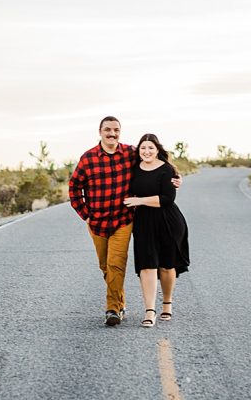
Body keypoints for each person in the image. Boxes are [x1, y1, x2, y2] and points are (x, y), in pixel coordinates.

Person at [69, 117, 180, 326]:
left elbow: (155, 164)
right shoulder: (88, 158)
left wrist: (175, 177)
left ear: (120, 132)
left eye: (116, 130)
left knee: (115, 264)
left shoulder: (130, 153)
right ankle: (120, 303)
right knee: (105, 266)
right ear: (100, 131)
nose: (112, 134)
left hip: (123, 220)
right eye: (108, 130)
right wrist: (85, 214)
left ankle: (112, 310)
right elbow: (74, 187)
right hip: (97, 223)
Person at [123, 133, 190, 328]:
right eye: (143, 148)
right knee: (147, 265)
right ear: (139, 151)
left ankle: (167, 303)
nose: (147, 151)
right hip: (143, 222)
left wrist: (140, 200)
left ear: (158, 150)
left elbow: (168, 198)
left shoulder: (167, 169)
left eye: (151, 148)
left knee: (167, 266)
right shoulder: (134, 169)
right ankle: (149, 311)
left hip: (168, 220)